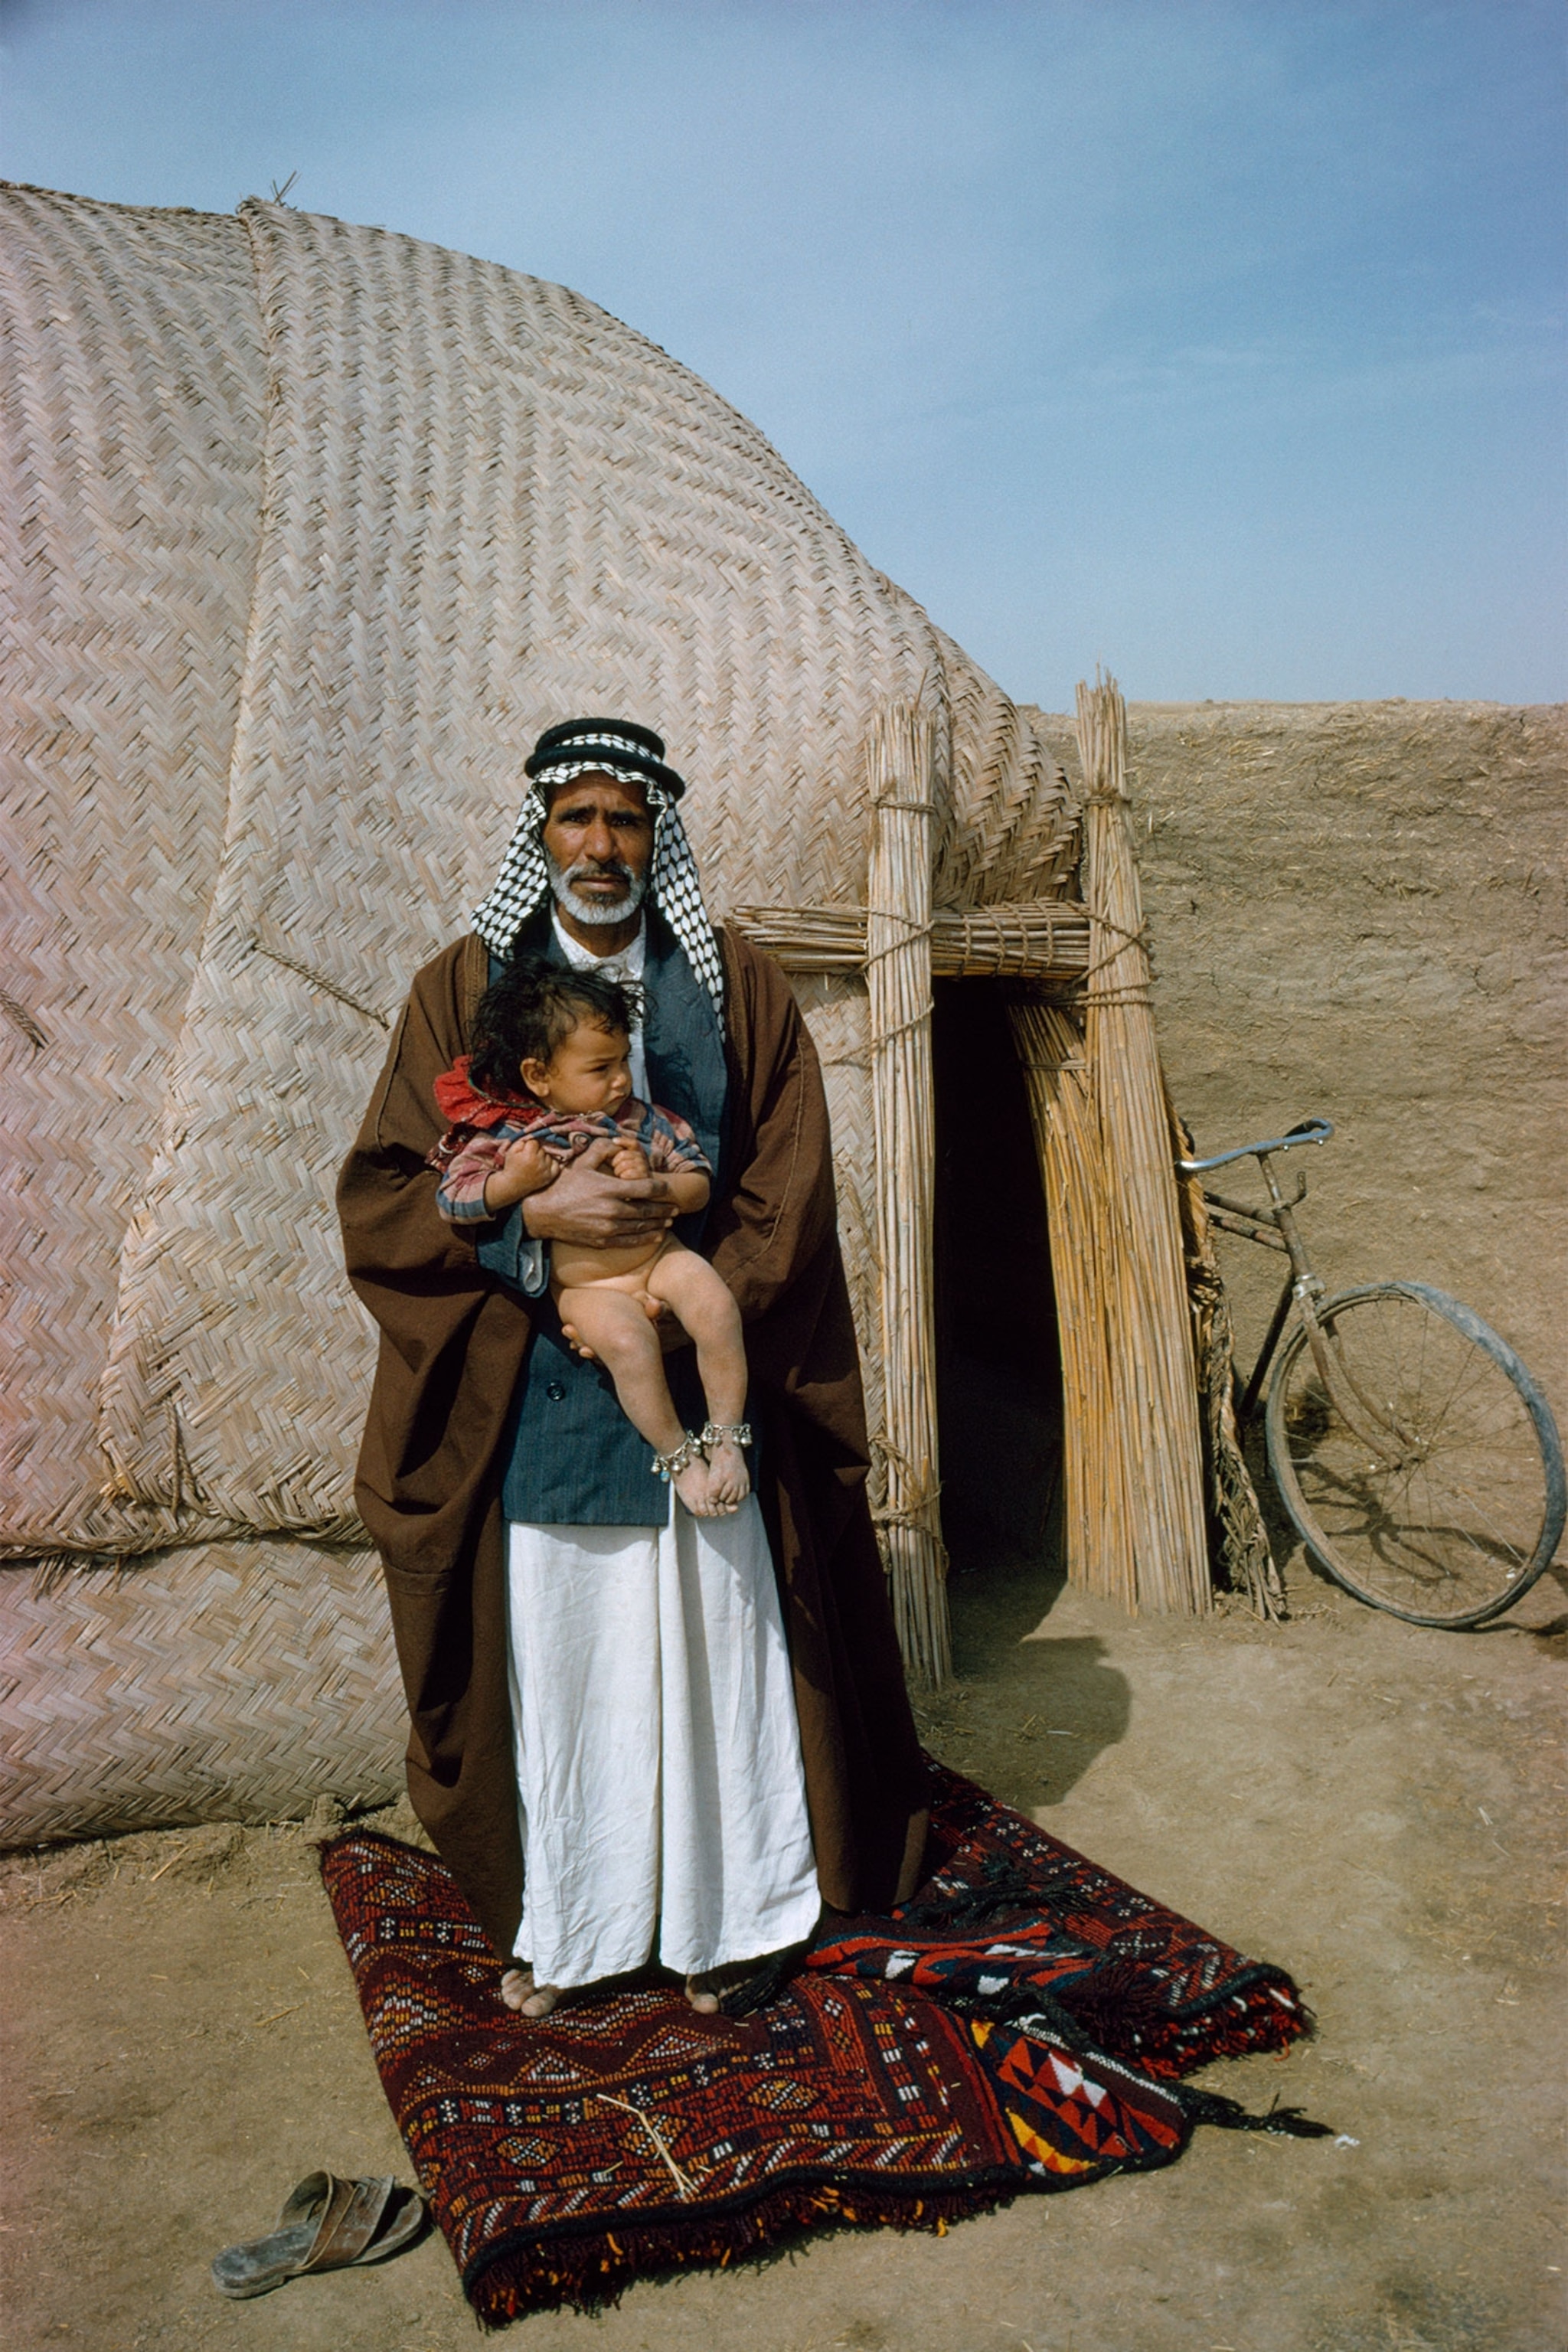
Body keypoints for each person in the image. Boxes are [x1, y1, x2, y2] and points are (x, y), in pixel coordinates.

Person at [338, 717, 929, 2021]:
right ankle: (584, 1926)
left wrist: (684, 1303)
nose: (599, 845)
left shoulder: (735, 984)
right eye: (575, 818)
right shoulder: (463, 985)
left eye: (623, 819)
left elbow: (784, 1185)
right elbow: (389, 1187)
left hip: (702, 1376)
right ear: (539, 831)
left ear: (655, 831)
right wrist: (531, 1232)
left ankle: (734, 1921)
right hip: (541, 1392)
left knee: (712, 1652)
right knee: (576, 1667)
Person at [428, 956, 752, 1516]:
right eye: (600, 1068)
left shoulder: (645, 1121)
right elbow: (452, 1201)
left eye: (623, 1060)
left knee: (715, 1304)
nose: (621, 1079)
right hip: (589, 1291)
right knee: (629, 1345)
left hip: (659, 1259)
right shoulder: (508, 1137)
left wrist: (659, 1185)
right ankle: (677, 1456)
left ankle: (726, 1440)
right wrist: (513, 1185)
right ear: (538, 1075)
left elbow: (699, 1181)